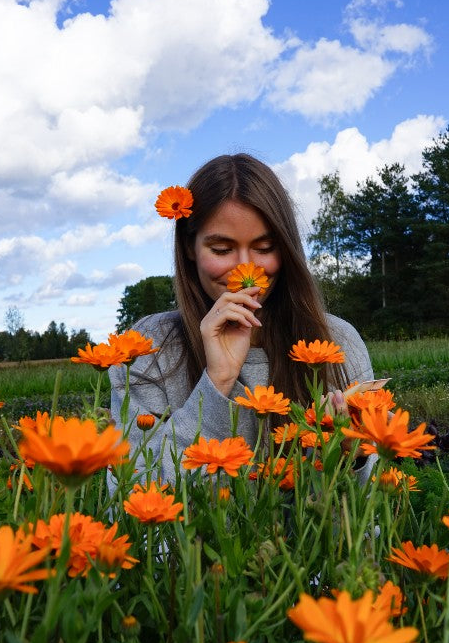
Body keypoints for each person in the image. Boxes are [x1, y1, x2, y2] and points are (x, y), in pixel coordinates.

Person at [109, 153, 376, 485]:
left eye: (264, 248)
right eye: (222, 250)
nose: (245, 271)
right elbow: (130, 499)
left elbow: (363, 518)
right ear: (189, 248)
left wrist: (350, 454)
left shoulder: (337, 340)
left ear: (287, 249)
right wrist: (217, 380)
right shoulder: (147, 350)